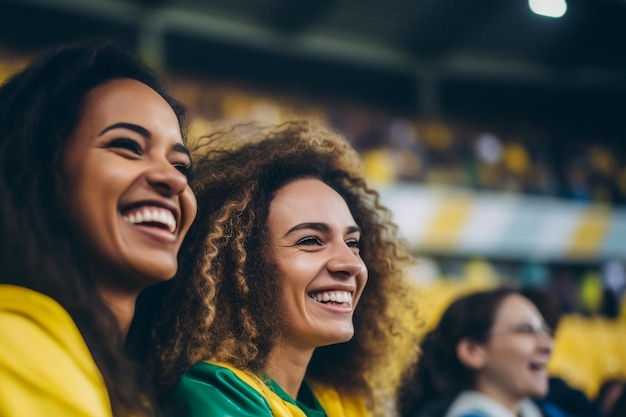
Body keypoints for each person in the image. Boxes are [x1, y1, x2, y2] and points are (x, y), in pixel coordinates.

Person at [132, 120, 417, 416]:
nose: (350, 264)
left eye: (353, 242)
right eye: (311, 240)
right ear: (241, 266)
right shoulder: (214, 392)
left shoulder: (342, 401)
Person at [0, 38, 197, 417]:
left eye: (181, 166)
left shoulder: (127, 387)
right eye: (127, 146)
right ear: (40, 173)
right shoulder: (17, 345)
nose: (173, 181)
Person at [397, 287, 568, 417]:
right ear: (472, 352)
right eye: (526, 330)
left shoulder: (548, 410)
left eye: (545, 331)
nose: (548, 345)